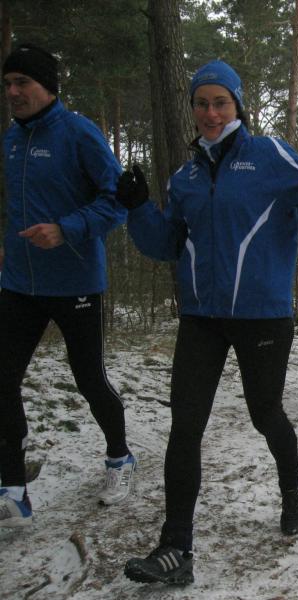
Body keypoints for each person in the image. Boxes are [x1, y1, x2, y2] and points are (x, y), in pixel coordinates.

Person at [115, 60, 298, 585]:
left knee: (265, 414)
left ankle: (292, 489)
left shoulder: (269, 156)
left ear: (237, 105)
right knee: (185, 426)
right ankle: (176, 547)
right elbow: (166, 244)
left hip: (262, 315)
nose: (210, 113)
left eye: (220, 102)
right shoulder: (186, 177)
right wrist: (139, 209)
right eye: (201, 103)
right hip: (201, 317)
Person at [0, 44, 135, 528]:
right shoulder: (10, 141)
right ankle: (12, 488)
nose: (12, 92)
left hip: (75, 280)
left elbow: (118, 201)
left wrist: (66, 229)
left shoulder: (79, 133)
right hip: (20, 282)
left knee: (88, 379)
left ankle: (119, 457)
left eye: (22, 83)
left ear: (48, 87)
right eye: (7, 83)